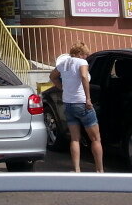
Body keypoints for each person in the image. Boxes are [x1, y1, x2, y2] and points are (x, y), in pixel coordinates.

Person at [49, 42, 104, 173]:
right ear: (79, 54)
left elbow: (52, 77)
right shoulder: (81, 62)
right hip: (82, 103)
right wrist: (88, 98)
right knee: (96, 139)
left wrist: (63, 88)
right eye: (85, 54)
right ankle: (100, 170)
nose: (86, 57)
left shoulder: (63, 63)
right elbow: (84, 76)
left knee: (74, 139)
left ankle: (76, 169)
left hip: (68, 104)